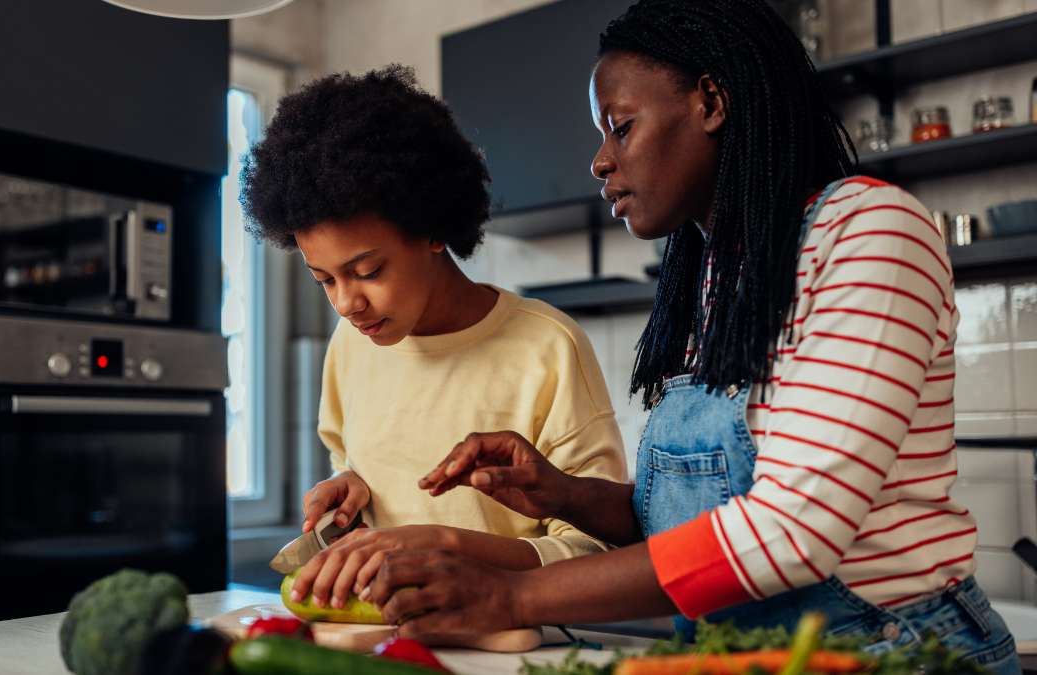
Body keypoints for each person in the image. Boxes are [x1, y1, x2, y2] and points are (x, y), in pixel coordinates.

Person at [364, 2, 1020, 671]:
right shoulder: (712, 278)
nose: (599, 161)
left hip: (896, 652)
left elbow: (790, 531)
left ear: (710, 102)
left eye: (621, 127)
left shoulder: (869, 233)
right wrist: (565, 494)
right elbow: (696, 524)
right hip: (742, 655)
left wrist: (510, 595)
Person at [239, 66, 628, 611]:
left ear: (432, 230)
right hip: (387, 637)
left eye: (368, 271)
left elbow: (595, 551)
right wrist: (351, 492)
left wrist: (445, 547)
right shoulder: (350, 346)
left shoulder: (548, 347)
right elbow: (362, 471)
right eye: (324, 279)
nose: (346, 303)